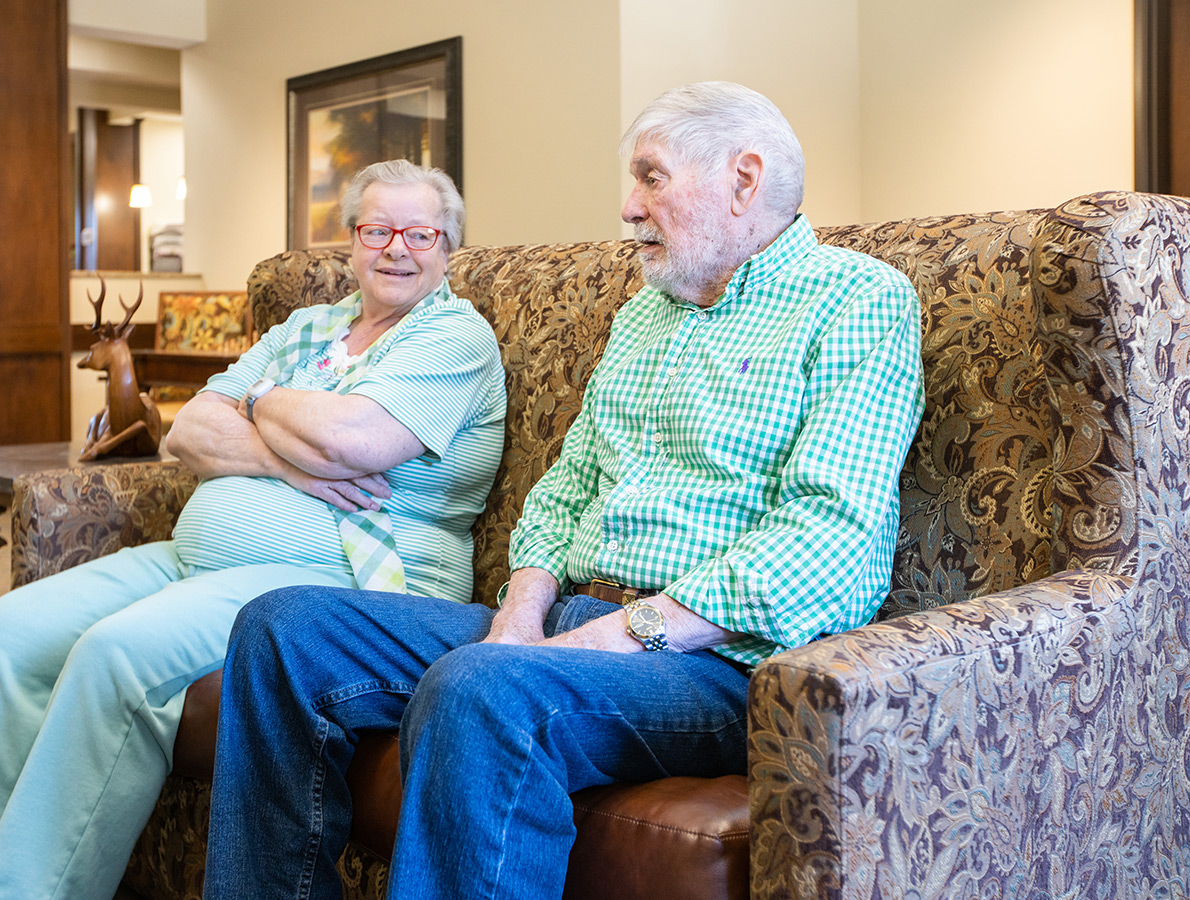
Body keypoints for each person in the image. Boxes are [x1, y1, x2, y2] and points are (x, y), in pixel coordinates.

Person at [203, 82, 925, 900]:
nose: (627, 206)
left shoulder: (857, 300)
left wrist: (617, 636)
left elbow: (830, 541)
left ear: (744, 180)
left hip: (716, 662)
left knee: (481, 689)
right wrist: (518, 616)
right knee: (282, 629)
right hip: (569, 624)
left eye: (651, 177)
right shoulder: (644, 313)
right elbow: (566, 487)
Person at [0, 159, 506, 900]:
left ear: (448, 248)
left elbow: (357, 439)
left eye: (419, 232)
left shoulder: (452, 338)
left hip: (356, 577)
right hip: (198, 558)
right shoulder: (312, 325)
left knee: (116, 654)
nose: (396, 248)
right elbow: (190, 431)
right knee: (16, 626)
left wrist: (264, 397)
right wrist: (291, 466)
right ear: (352, 240)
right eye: (377, 229)